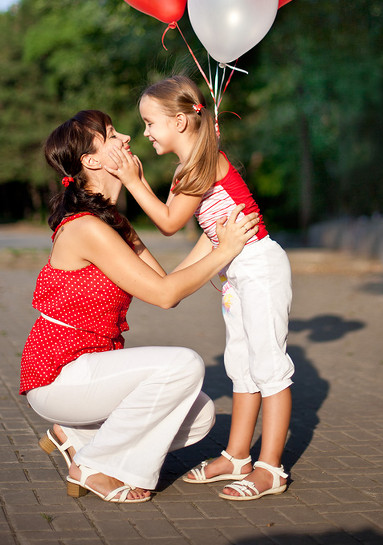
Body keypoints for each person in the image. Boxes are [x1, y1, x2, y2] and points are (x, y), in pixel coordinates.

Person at [20, 109, 259, 504]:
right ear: (92, 161)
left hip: (88, 372)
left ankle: (77, 435)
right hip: (58, 375)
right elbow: (165, 294)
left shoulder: (113, 221)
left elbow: (169, 285)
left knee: (199, 415)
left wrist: (216, 234)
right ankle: (95, 465)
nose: (127, 138)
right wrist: (226, 252)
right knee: (185, 365)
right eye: (112, 135)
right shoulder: (87, 228)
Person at [108, 75, 294, 501]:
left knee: (270, 368)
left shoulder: (202, 165)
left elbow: (171, 224)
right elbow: (210, 235)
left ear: (179, 121)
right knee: (242, 365)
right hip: (236, 272)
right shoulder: (188, 169)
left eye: (150, 122)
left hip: (260, 268)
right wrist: (173, 281)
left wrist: (134, 181)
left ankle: (270, 469)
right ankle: (236, 457)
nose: (145, 132)